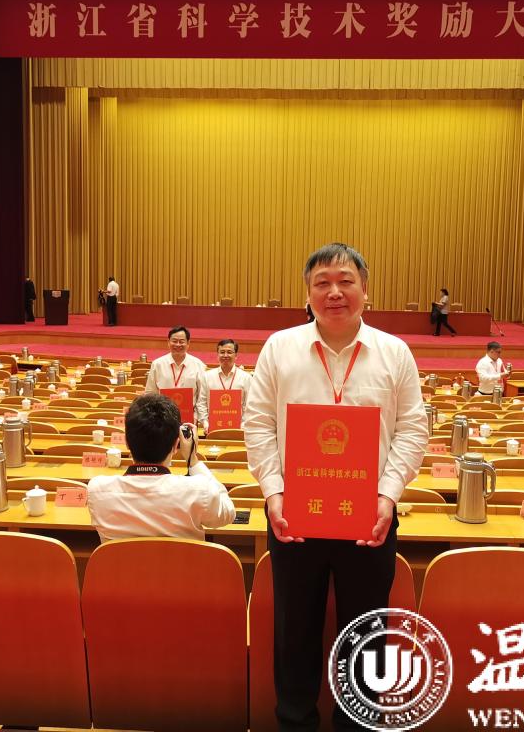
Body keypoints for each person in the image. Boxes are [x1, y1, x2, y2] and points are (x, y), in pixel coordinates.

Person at [244, 242, 427, 732]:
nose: (335, 292)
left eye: (346, 281)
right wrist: (273, 493)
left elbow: (413, 429)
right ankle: (294, 723)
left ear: (366, 289)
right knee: (294, 634)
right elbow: (258, 424)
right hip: (293, 517)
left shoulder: (394, 353)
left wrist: (388, 496)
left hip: (370, 518)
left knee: (366, 636)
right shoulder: (279, 348)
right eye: (322, 283)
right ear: (307, 293)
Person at [86, 393, 235, 540]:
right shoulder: (199, 490)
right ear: (176, 445)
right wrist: (192, 459)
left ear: (126, 442)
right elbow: (228, 513)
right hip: (181, 558)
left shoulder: (97, 490)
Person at [145, 325, 210, 435]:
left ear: (188, 343)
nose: (178, 345)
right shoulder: (157, 364)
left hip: (190, 420)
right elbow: (150, 393)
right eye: (174, 341)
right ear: (168, 342)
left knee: (187, 446)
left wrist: (198, 418)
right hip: (163, 419)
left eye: (182, 341)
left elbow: (201, 396)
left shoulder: (198, 365)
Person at [205, 338, 252, 412]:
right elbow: (202, 403)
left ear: (236, 355)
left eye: (229, 352)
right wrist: (206, 419)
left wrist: (242, 420)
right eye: (222, 352)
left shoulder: (246, 378)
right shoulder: (207, 376)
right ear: (217, 355)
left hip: (239, 419)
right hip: (211, 419)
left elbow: (249, 404)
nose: (225, 355)